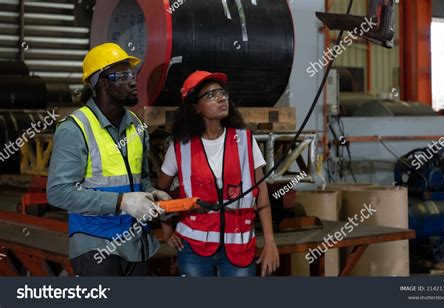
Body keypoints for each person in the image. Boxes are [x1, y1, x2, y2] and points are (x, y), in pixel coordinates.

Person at [47, 43, 170, 276]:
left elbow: (139, 179)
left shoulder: (136, 125)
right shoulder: (75, 129)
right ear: (103, 83)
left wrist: (152, 194)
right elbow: (58, 192)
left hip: (137, 244)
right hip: (96, 247)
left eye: (132, 74)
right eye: (123, 76)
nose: (132, 81)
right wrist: (121, 202)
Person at [157, 71, 279, 277]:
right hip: (194, 250)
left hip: (239, 248)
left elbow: (262, 195)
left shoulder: (245, 141)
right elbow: (160, 192)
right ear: (195, 107)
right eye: (210, 95)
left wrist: (270, 242)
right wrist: (167, 231)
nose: (221, 98)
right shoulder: (181, 147)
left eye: (221, 92)